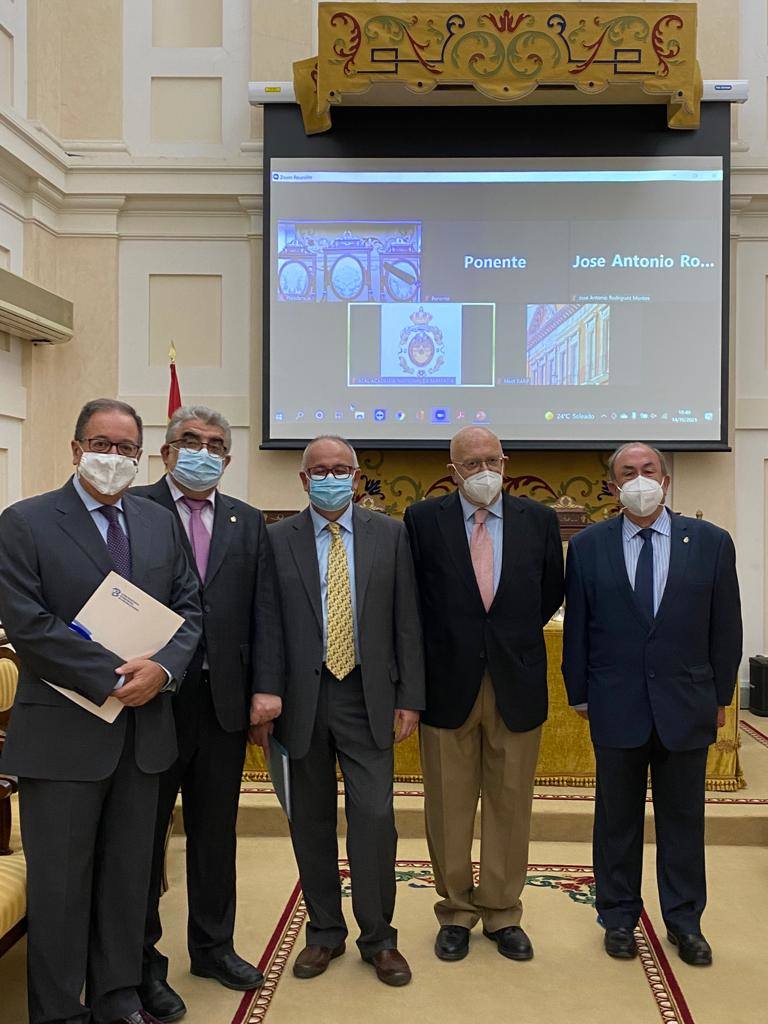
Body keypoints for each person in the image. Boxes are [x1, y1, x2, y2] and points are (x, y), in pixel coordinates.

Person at [0, 398, 202, 1024]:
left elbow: (190, 610)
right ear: (75, 448)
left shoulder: (157, 523)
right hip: (61, 739)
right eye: (101, 444)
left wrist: (162, 670)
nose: (113, 458)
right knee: (59, 888)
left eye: (125, 449)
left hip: (143, 735)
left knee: (126, 880)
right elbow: (27, 624)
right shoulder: (24, 522)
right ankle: (59, 1010)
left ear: (141, 458)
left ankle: (117, 997)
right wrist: (113, 679)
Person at [252, 435, 424, 987]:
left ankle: (380, 939)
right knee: (311, 820)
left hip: (368, 697)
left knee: (375, 819)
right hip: (299, 701)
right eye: (318, 470)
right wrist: (263, 693)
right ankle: (324, 932)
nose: (330, 476)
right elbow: (265, 623)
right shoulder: (275, 538)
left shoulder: (390, 535)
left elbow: (407, 622)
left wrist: (410, 697)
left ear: (356, 476)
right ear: (303, 481)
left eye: (340, 468)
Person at [562, 442, 742, 966]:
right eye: (627, 473)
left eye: (648, 470)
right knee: (615, 819)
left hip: (686, 702)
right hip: (615, 702)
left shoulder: (710, 542)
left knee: (683, 819)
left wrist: (720, 696)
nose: (638, 479)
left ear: (665, 480)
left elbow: (725, 627)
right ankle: (617, 917)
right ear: (613, 486)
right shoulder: (590, 545)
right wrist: (579, 691)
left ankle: (685, 921)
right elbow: (578, 629)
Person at [131, 406, 284, 1020]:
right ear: (167, 452)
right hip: (151, 701)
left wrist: (265, 690)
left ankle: (214, 948)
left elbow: (264, 610)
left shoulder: (248, 520)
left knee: (216, 835)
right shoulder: (135, 508)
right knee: (143, 839)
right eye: (190, 441)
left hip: (224, 703)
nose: (204, 451)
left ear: (228, 456)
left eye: (216, 444)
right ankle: (142, 963)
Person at [403, 426, 564, 963]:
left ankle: (500, 912)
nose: (482, 471)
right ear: (452, 471)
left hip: (515, 682)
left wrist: (503, 641)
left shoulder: (538, 521)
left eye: (491, 460)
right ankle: (454, 911)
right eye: (470, 464)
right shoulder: (422, 521)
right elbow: (415, 600)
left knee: (509, 803)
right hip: (447, 684)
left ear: (507, 461)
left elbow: (546, 593)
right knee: (447, 805)